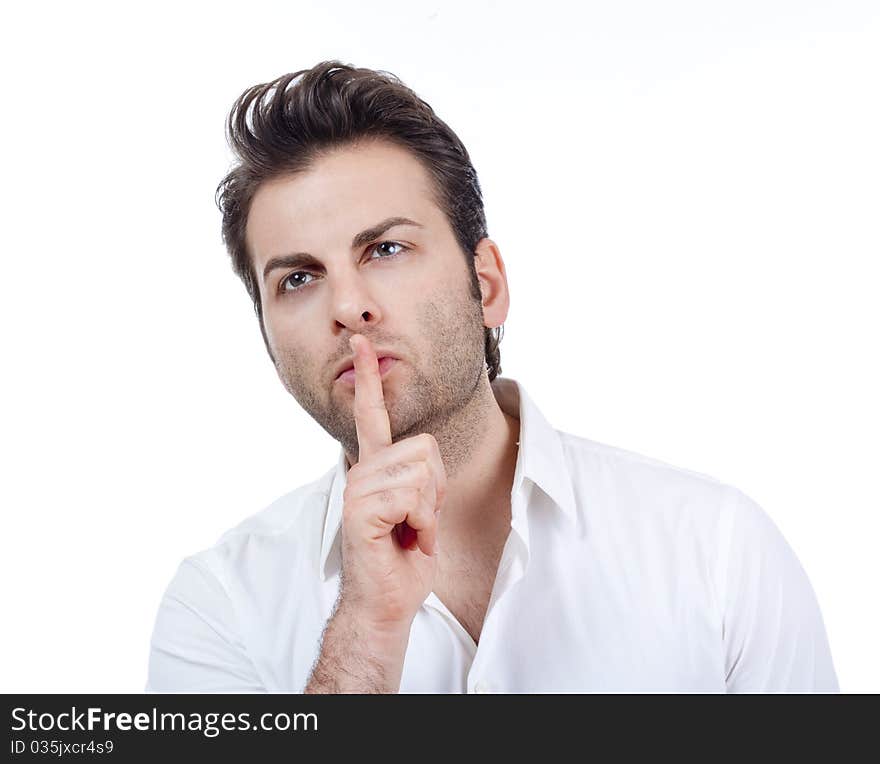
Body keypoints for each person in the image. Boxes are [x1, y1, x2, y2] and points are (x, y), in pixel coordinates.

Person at [146, 60, 838, 693]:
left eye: (386, 248)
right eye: (298, 278)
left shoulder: (715, 549)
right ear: (267, 337)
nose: (348, 306)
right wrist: (366, 626)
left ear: (487, 284)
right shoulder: (219, 606)